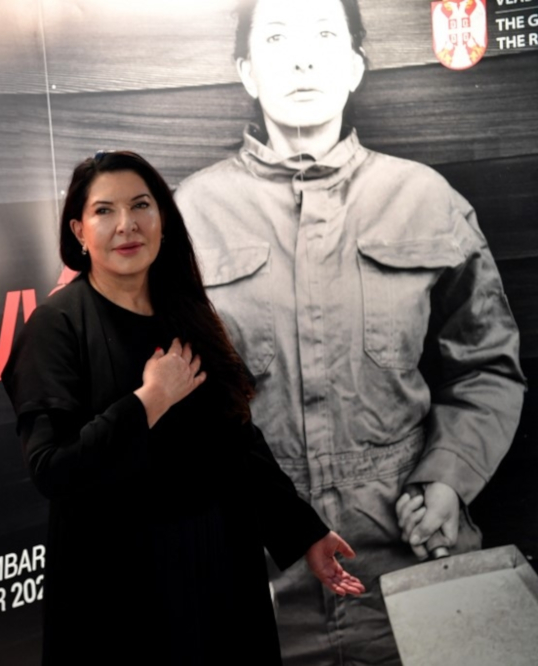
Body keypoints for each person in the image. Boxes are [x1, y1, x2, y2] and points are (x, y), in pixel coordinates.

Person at [174, 0, 527, 664]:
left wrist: (449, 477)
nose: (302, 59)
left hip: (414, 568)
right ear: (246, 71)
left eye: (324, 35)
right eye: (276, 38)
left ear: (356, 66)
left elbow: (487, 367)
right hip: (258, 586)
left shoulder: (427, 200)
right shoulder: (186, 218)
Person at [2, 150, 365, 664]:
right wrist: (149, 401)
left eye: (140, 205)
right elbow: (52, 468)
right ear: (78, 231)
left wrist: (306, 533)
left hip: (220, 571)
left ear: (163, 219)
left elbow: (237, 440)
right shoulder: (55, 325)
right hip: (121, 592)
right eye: (104, 210)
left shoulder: (187, 311)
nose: (126, 225)